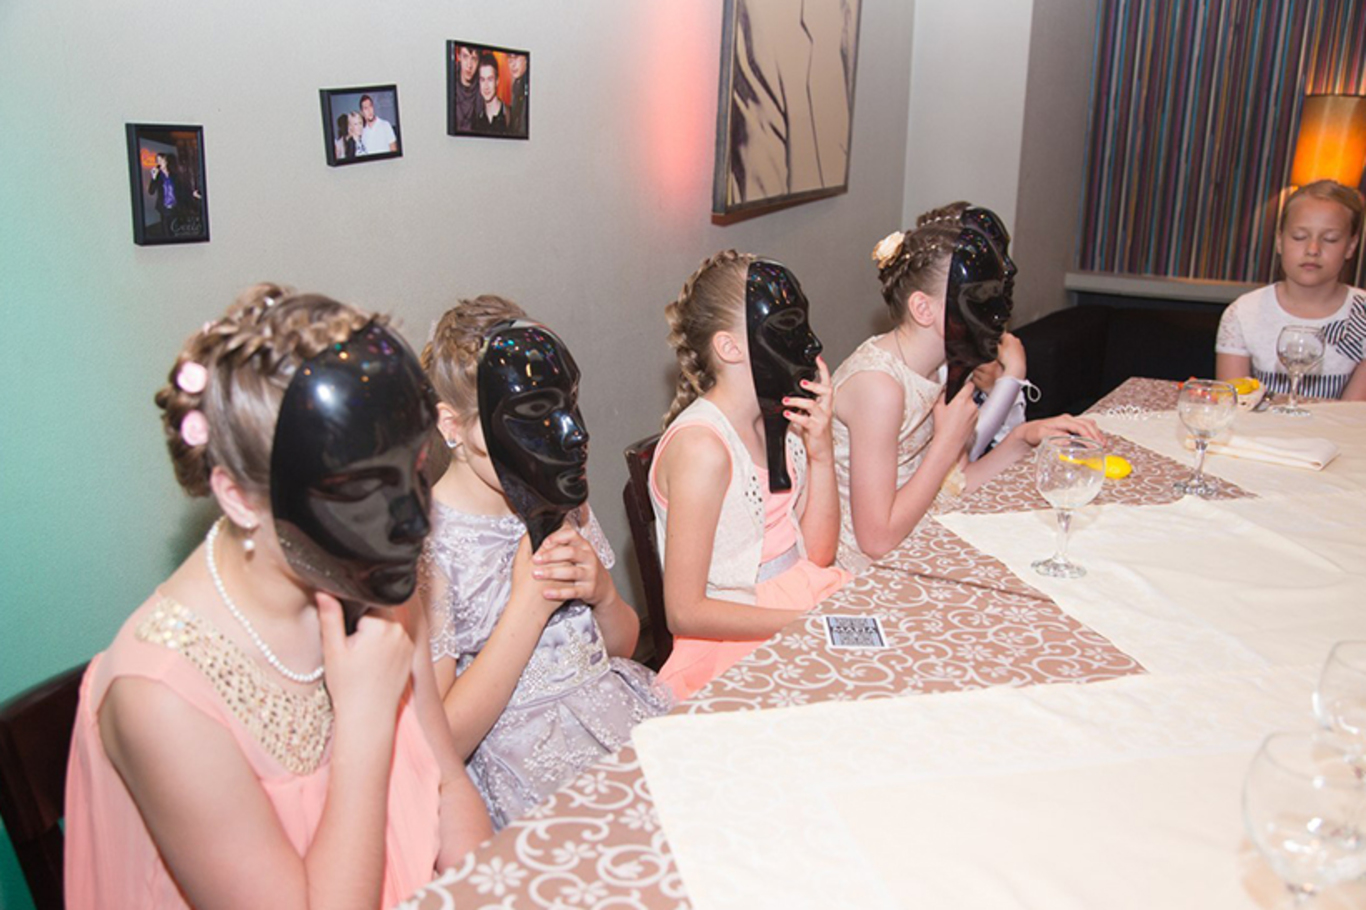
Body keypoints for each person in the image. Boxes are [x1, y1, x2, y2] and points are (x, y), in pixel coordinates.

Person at [64, 285, 492, 909]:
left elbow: (448, 786)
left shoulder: (373, 566)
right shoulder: (160, 697)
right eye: (360, 491)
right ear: (238, 497)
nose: (415, 521)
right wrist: (365, 718)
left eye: (416, 469)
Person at [418, 296, 670, 830]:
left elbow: (621, 647)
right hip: (521, 775)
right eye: (534, 415)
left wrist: (603, 594)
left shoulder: (562, 499)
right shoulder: (430, 547)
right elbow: (440, 743)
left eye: (568, 404)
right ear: (452, 425)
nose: (572, 433)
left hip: (616, 723)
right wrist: (528, 608)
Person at [830, 223, 1103, 574]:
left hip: (916, 539)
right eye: (980, 299)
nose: (998, 315)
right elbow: (876, 540)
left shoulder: (939, 367)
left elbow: (958, 483)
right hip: (864, 571)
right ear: (923, 308)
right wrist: (946, 443)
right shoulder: (879, 387)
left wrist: (1023, 438)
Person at [649, 252, 849, 701]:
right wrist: (803, 623)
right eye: (788, 326)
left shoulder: (781, 420)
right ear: (729, 347)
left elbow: (816, 557)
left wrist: (820, 451)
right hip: (733, 636)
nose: (811, 343)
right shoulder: (703, 449)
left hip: (798, 599)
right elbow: (684, 611)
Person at [1217, 179, 1366, 399]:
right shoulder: (1243, 313)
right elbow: (1233, 401)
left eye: (1330, 239)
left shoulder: (1361, 313)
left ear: (1351, 246)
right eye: (1299, 237)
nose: (1313, 249)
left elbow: (1353, 412)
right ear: (1279, 241)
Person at [472, 54, 508, 134]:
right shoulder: (476, 122)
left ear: (497, 81)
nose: (486, 86)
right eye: (482, 80)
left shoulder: (510, 117)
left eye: (490, 79)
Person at [451, 45, 481, 132]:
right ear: (458, 57)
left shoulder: (483, 88)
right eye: (465, 57)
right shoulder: (450, 81)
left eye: (474, 59)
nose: (469, 65)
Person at [506, 53, 528, 136]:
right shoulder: (516, 85)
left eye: (516, 58)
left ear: (526, 59)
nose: (513, 64)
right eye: (510, 59)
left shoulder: (530, 84)